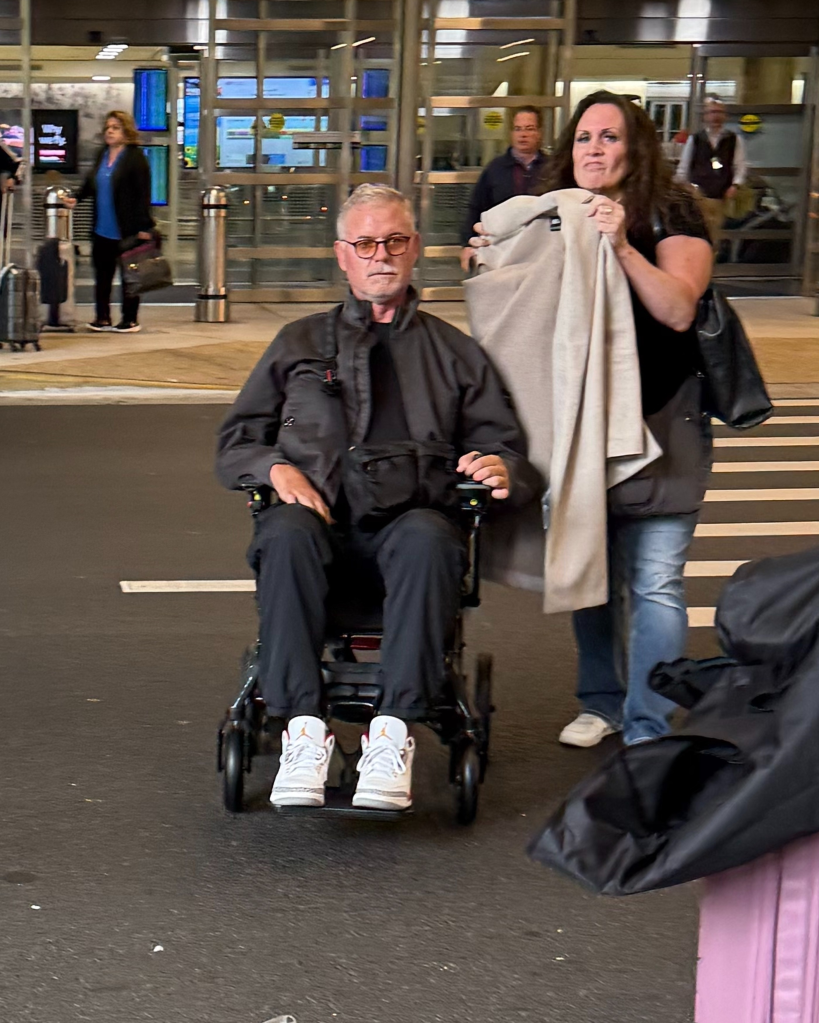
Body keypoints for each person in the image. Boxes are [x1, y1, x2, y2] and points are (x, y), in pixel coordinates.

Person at [215, 184, 539, 812]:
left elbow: (509, 451)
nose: (380, 255)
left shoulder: (455, 354)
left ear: (414, 248)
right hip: (318, 532)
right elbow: (236, 441)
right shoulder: (298, 344)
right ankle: (302, 732)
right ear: (343, 255)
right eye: (365, 243)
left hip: (409, 538)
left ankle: (392, 734)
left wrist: (503, 468)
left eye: (393, 241)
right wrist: (275, 470)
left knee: (427, 535)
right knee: (283, 531)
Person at [468, 91, 713, 748]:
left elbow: (678, 309)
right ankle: (601, 700)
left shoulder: (672, 209)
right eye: (582, 137)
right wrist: (490, 256)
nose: (593, 149)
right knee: (589, 569)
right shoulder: (555, 214)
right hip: (582, 428)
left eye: (608, 137)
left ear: (634, 147)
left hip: (664, 424)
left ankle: (646, 719)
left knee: (655, 582)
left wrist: (622, 245)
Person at [63, 110, 153, 333]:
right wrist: (76, 197)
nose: (110, 132)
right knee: (102, 275)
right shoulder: (102, 155)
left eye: (115, 128)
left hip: (127, 229)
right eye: (108, 128)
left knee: (129, 276)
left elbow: (143, 194)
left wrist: (144, 227)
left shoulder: (135, 157)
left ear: (126, 131)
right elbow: (91, 183)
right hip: (102, 228)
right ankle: (102, 317)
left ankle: (129, 319)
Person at [459, 106, 548, 272]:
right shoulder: (495, 169)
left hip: (540, 252)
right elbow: (476, 207)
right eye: (518, 129)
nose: (523, 134)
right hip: (500, 250)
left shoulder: (553, 169)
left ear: (540, 132)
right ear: (511, 133)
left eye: (529, 129)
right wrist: (467, 244)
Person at [675, 94, 747, 246]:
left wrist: (735, 185)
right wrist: (686, 188)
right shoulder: (695, 140)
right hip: (699, 195)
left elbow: (739, 165)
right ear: (705, 116)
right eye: (712, 112)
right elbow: (684, 167)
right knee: (700, 232)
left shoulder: (734, 140)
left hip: (722, 196)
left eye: (719, 112)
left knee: (716, 234)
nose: (715, 116)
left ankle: (711, 260)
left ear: (725, 116)